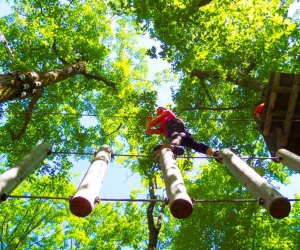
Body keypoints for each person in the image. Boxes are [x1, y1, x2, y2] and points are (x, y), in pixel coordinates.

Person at [146, 107, 219, 160]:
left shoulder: (167, 112)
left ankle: (173, 146)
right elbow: (149, 131)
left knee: (174, 134)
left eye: (160, 109)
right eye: (158, 110)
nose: (159, 110)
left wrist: (150, 121)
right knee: (193, 143)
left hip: (173, 124)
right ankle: (214, 153)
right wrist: (148, 121)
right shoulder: (162, 128)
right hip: (180, 134)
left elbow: (152, 124)